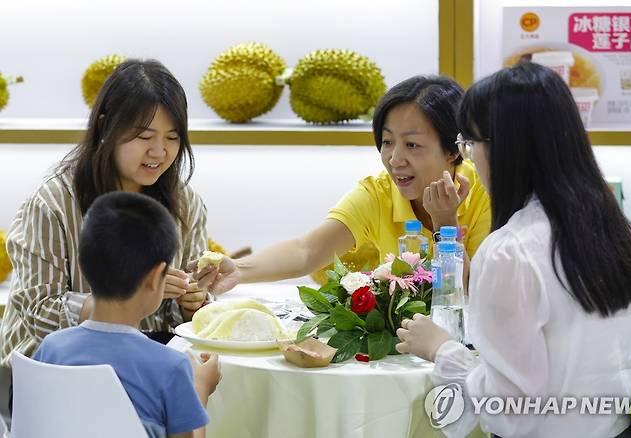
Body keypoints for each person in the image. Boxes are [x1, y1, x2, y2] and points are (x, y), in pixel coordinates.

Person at [395, 62, 631, 437]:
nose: (469, 157)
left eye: (470, 144)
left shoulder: (510, 253)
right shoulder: (614, 230)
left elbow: (509, 411)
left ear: (507, 149)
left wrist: (443, 350)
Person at [0, 59, 237, 366]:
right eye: (144, 136)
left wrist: (192, 304)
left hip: (143, 361)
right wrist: (130, 298)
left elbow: (175, 319)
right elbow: (39, 312)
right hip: (54, 367)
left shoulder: (186, 203)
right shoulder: (54, 201)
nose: (159, 151)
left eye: (172, 136)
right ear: (105, 127)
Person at [210, 76, 490, 285]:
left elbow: (471, 294)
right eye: (387, 141)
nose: (394, 159)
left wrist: (445, 223)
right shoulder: (378, 192)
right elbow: (307, 251)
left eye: (412, 145)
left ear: (453, 149)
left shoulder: (485, 191)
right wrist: (237, 269)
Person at [33, 191, 221, 438]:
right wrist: (200, 388)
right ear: (157, 277)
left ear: (83, 267)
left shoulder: (51, 348)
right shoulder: (173, 368)